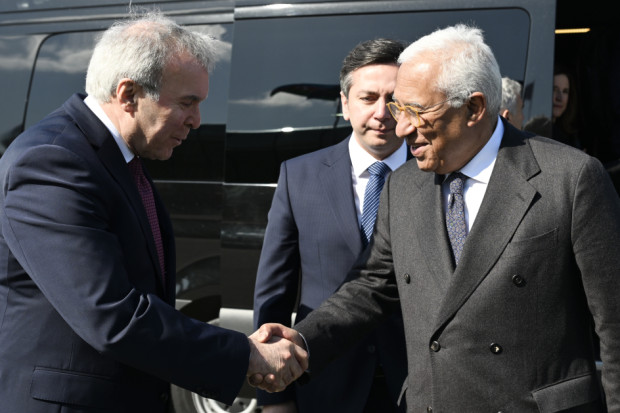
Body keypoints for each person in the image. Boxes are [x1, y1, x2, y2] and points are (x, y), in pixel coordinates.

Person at [253, 24, 620, 412]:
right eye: (400, 108)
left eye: (416, 110)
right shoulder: (403, 185)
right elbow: (371, 288)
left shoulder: (570, 178)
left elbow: (614, 322)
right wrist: (301, 342)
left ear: (474, 108)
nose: (401, 127)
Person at [0, 13, 306, 413]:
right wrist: (246, 354)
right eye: (187, 103)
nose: (197, 120)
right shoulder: (52, 162)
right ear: (128, 95)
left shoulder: (120, 158)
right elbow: (111, 315)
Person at [253, 38, 409, 413]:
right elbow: (274, 294)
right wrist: (275, 398)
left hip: (416, 386)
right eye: (368, 98)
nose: (382, 113)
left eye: (394, 99)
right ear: (345, 103)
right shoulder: (298, 176)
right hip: (326, 384)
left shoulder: (438, 176)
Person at [552, 65, 582, 149]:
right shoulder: (536, 133)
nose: (560, 98)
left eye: (565, 91)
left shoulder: (570, 137)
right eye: (554, 89)